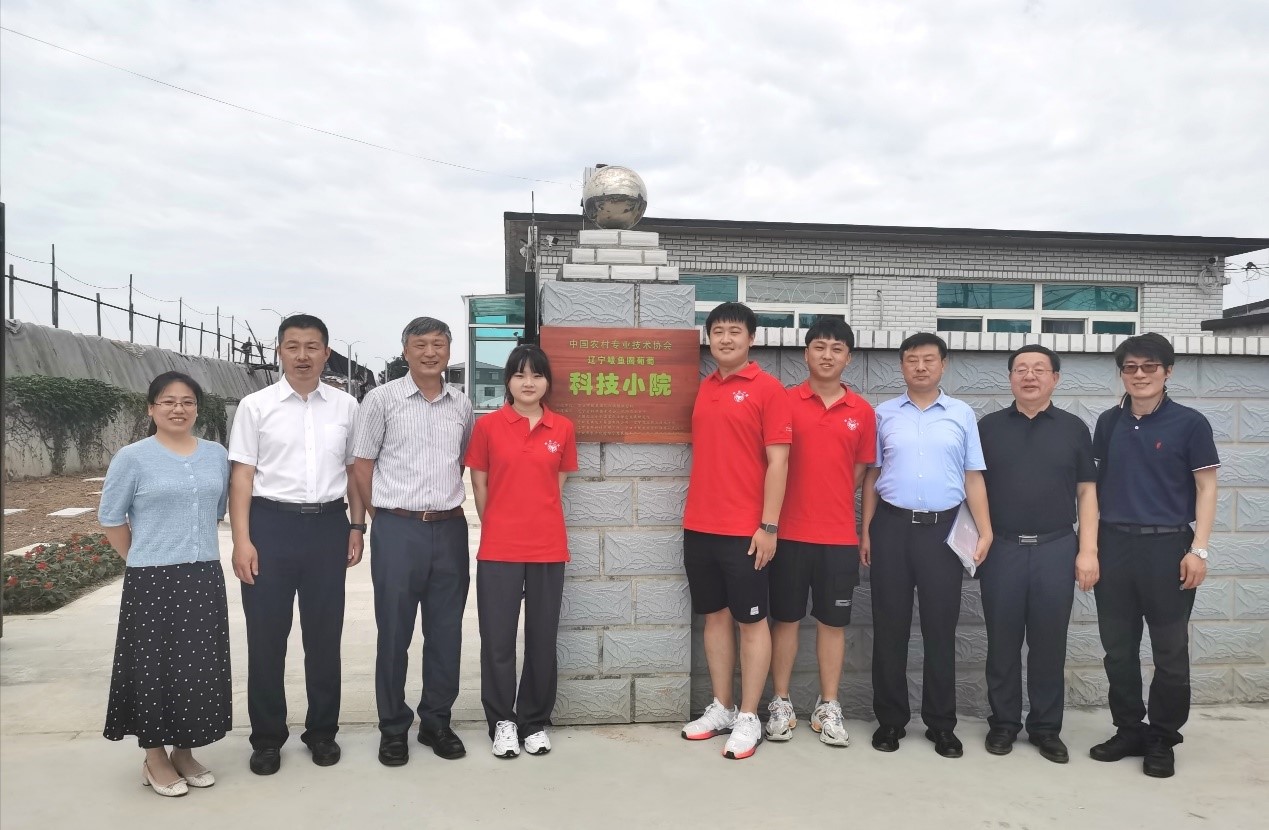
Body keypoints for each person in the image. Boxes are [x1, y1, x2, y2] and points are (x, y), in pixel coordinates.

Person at [228, 314, 363, 775]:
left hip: (328, 526)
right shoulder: (255, 406)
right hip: (270, 526)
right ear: (279, 352)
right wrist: (242, 540)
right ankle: (267, 739)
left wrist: (356, 526)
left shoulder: (346, 407)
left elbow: (353, 472)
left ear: (327, 353)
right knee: (266, 639)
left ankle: (322, 732)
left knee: (324, 638)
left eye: (311, 347)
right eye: (292, 346)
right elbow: (242, 477)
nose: (302, 356)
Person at [1090, 333, 1219, 778]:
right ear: (1121, 373)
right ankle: (1129, 729)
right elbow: (1093, 488)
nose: (1139, 374)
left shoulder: (1190, 423)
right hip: (1114, 546)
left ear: (1168, 372)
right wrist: (1091, 547)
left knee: (1169, 650)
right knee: (1118, 649)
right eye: (1130, 367)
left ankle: (1163, 736)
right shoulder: (1108, 422)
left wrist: (1198, 549)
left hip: (1168, 548)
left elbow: (1206, 487)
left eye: (1150, 366)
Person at [100, 371, 231, 798]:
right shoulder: (132, 458)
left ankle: (184, 752)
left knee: (196, 668)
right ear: (151, 408)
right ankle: (154, 756)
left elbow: (216, 510)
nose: (179, 409)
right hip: (152, 580)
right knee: (152, 667)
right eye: (169, 401)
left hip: (203, 574)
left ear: (197, 408)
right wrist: (140, 560)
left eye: (188, 401)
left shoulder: (216, 455)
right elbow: (111, 518)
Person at [861, 332, 992, 758]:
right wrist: (866, 530)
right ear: (901, 365)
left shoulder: (961, 414)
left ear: (943, 364)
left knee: (940, 629)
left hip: (943, 532)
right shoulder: (883, 414)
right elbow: (872, 476)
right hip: (892, 528)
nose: (920, 366)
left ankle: (941, 725)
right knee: (889, 627)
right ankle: (890, 721)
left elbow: (973, 475)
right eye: (912, 359)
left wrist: (986, 530)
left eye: (929, 359)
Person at [352, 316, 475, 767]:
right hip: (397, 528)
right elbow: (361, 465)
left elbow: (460, 461)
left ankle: (436, 721)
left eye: (438, 344)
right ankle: (393, 728)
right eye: (420, 344)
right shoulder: (381, 400)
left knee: (446, 632)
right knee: (394, 632)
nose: (430, 352)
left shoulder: (461, 404)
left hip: (449, 527)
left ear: (449, 350)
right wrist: (380, 519)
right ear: (405, 351)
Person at [679, 301, 792, 761]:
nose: (725, 339)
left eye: (735, 331)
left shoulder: (769, 390)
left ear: (751, 339)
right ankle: (722, 707)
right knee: (714, 617)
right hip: (699, 524)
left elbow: (779, 462)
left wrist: (769, 525)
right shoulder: (705, 387)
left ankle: (748, 716)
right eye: (718, 331)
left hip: (747, 531)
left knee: (752, 620)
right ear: (708, 338)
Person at [976, 345, 1099, 763]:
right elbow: (973, 487)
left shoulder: (1074, 428)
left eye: (1039, 369)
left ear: (1055, 379)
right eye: (1021, 369)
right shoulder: (988, 428)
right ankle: (1004, 724)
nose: (1030, 376)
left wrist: (1088, 550)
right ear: (1011, 377)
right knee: (1002, 642)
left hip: (1056, 548)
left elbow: (1087, 492)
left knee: (1049, 644)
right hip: (1002, 549)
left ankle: (1046, 728)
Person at [766, 318, 875, 748]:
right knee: (786, 620)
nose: (827, 355)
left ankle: (828, 705)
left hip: (838, 538)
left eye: (836, 348)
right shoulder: (783, 402)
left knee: (833, 623)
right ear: (805, 353)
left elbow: (860, 472)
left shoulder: (862, 412)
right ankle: (781, 702)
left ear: (849, 357)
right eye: (819, 347)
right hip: (788, 535)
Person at [465, 344, 578, 759]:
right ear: (508, 381)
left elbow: (557, 483)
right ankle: (502, 721)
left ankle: (533, 721)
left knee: (542, 637)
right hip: (500, 547)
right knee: (497, 638)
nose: (528, 383)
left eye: (536, 375)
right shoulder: (489, 426)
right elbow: (480, 482)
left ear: (547, 382)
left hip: (548, 546)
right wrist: (497, 523)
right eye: (519, 374)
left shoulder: (562, 428)